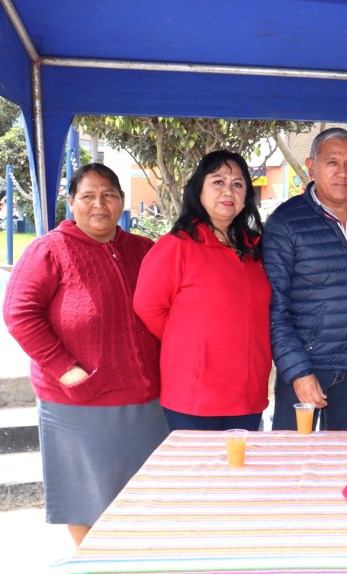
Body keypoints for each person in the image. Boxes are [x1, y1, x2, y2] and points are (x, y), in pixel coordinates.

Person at [2, 163, 168, 547]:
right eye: (88, 196)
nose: (99, 204)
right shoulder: (50, 250)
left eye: (108, 195)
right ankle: (93, 565)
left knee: (144, 500)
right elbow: (19, 313)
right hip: (79, 401)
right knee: (86, 502)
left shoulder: (143, 249)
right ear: (71, 202)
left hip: (146, 402)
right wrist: (65, 369)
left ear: (122, 201)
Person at [134, 150, 271, 432]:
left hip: (248, 393)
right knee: (200, 463)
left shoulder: (258, 248)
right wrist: (192, 342)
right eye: (218, 181)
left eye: (237, 184)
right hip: (194, 396)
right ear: (199, 189)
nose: (228, 191)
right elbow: (147, 307)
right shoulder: (177, 246)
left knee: (242, 462)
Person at [264, 128, 347, 431]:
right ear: (311, 166)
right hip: (308, 366)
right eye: (332, 162)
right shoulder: (286, 222)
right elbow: (275, 307)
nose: (342, 173)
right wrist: (297, 371)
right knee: (293, 452)